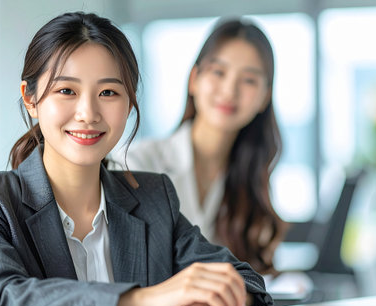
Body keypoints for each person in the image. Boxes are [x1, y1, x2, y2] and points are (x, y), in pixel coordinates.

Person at [0, 12, 272, 306]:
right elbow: (5, 300)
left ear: (129, 102)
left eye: (108, 92)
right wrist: (144, 301)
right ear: (30, 97)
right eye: (66, 91)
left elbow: (246, 281)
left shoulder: (153, 197)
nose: (88, 113)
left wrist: (216, 298)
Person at [112, 18, 286, 275]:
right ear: (194, 79)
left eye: (249, 80)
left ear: (265, 97)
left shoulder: (251, 185)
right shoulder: (137, 163)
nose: (229, 91)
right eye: (218, 72)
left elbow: (257, 276)